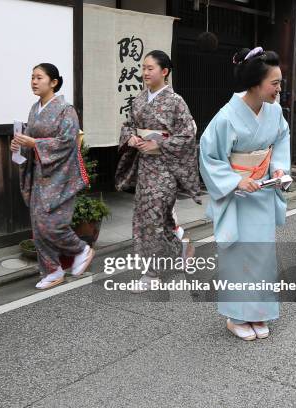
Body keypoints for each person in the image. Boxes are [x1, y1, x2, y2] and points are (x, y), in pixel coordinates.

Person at [199, 47, 290, 341]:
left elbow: (280, 141)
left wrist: (277, 170)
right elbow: (209, 155)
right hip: (237, 196)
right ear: (255, 83)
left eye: (279, 82)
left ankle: (259, 313)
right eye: (274, 83)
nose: (279, 88)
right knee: (238, 256)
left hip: (261, 192)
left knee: (262, 255)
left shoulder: (274, 112)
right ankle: (236, 316)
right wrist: (235, 181)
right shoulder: (226, 117)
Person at [115, 50, 200, 291]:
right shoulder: (140, 100)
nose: (144, 73)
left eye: (150, 68)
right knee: (156, 218)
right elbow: (128, 126)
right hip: (145, 166)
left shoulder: (175, 101)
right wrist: (130, 138)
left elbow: (187, 134)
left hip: (166, 169)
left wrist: (159, 143)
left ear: (165, 72)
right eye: (143, 68)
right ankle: (180, 249)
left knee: (151, 217)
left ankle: (152, 274)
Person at [12, 63, 94, 290]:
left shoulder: (66, 109)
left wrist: (34, 143)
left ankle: (81, 249)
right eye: (32, 77)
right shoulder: (34, 108)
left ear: (54, 82)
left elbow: (67, 142)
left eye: (39, 77)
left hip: (62, 174)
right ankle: (52, 270)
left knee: (53, 224)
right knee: (38, 225)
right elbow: (28, 140)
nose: (34, 82)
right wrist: (20, 145)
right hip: (40, 173)